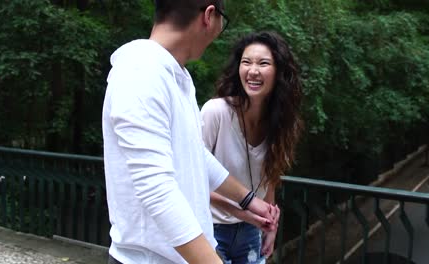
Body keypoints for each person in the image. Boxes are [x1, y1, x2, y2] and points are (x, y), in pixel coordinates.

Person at [102, 2, 277, 264]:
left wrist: (249, 200)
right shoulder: (141, 73)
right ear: (209, 16)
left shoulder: (175, 76)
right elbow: (157, 190)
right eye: (222, 19)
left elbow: (194, 154)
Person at [201, 31, 303, 263]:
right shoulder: (216, 112)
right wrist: (245, 212)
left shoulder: (281, 123)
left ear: (278, 72)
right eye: (246, 62)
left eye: (263, 63)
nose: (253, 70)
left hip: (250, 232)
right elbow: (189, 179)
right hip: (209, 228)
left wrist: (271, 226)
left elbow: (270, 178)